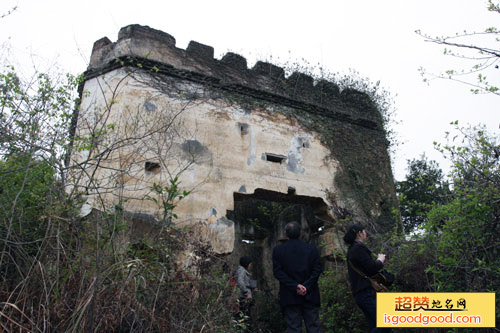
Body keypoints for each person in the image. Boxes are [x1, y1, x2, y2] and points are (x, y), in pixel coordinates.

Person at [272, 221, 323, 333]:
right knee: (314, 327)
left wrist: (296, 286)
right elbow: (317, 269)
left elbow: (278, 273)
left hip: (290, 296)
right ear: (300, 233)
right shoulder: (311, 248)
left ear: (285, 234)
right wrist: (306, 286)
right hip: (310, 294)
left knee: (293, 328)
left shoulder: (278, 250)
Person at [344, 224, 390, 333]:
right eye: (364, 231)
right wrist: (380, 260)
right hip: (366, 293)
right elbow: (372, 269)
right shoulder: (358, 248)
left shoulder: (352, 250)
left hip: (361, 294)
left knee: (374, 325)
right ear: (359, 233)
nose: (366, 233)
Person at [235, 256, 257, 331]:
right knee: (244, 316)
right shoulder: (241, 270)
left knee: (245, 316)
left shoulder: (242, 270)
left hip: (244, 297)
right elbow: (240, 282)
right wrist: (246, 292)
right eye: (250, 264)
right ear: (246, 263)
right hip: (243, 297)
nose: (250, 265)